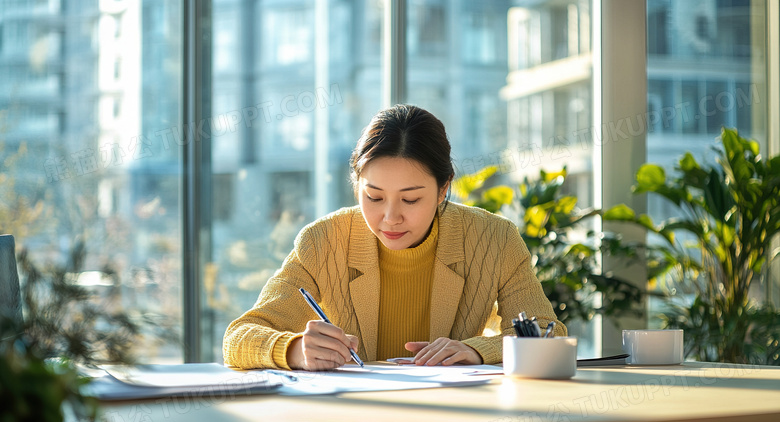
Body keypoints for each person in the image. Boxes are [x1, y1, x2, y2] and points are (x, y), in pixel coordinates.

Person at [223, 104, 566, 371]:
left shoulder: (493, 239)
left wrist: (478, 350)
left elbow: (547, 333)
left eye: (411, 199)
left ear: (444, 188)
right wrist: (294, 349)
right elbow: (239, 337)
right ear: (357, 185)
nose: (390, 217)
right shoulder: (323, 241)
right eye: (373, 197)